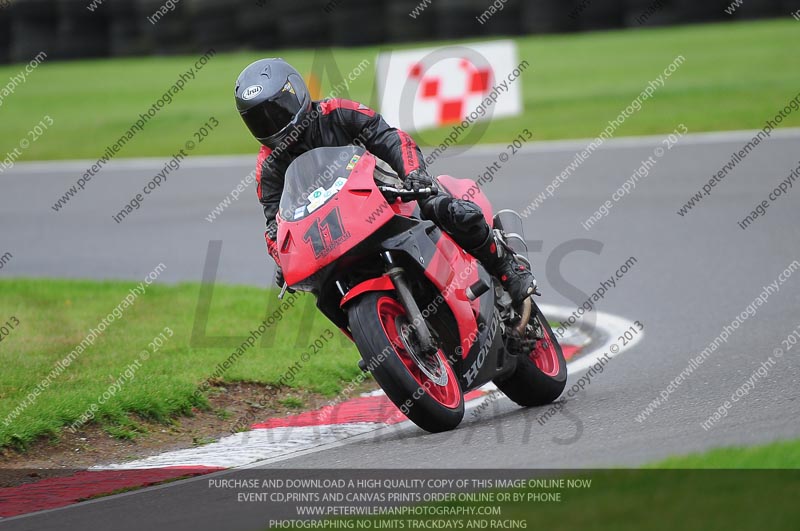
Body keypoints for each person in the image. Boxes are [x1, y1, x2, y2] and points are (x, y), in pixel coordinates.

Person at [234, 58, 535, 304]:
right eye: (259, 119)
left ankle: (508, 268)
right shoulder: (268, 165)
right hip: (334, 232)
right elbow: (275, 223)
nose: (271, 124)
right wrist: (282, 256)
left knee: (446, 209)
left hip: (387, 194)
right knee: (324, 289)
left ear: (295, 93)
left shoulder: (336, 112)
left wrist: (414, 174)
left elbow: (388, 137)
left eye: (276, 111)